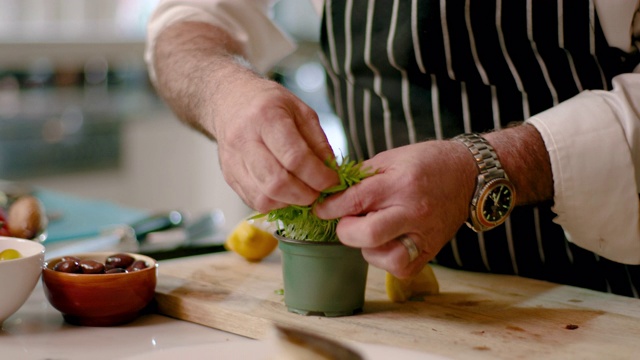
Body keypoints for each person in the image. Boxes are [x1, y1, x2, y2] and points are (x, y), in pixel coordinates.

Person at [145, 0, 640, 297]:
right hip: (390, 305)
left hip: (601, 296)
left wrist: (489, 167)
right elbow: (187, 21)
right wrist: (223, 92)